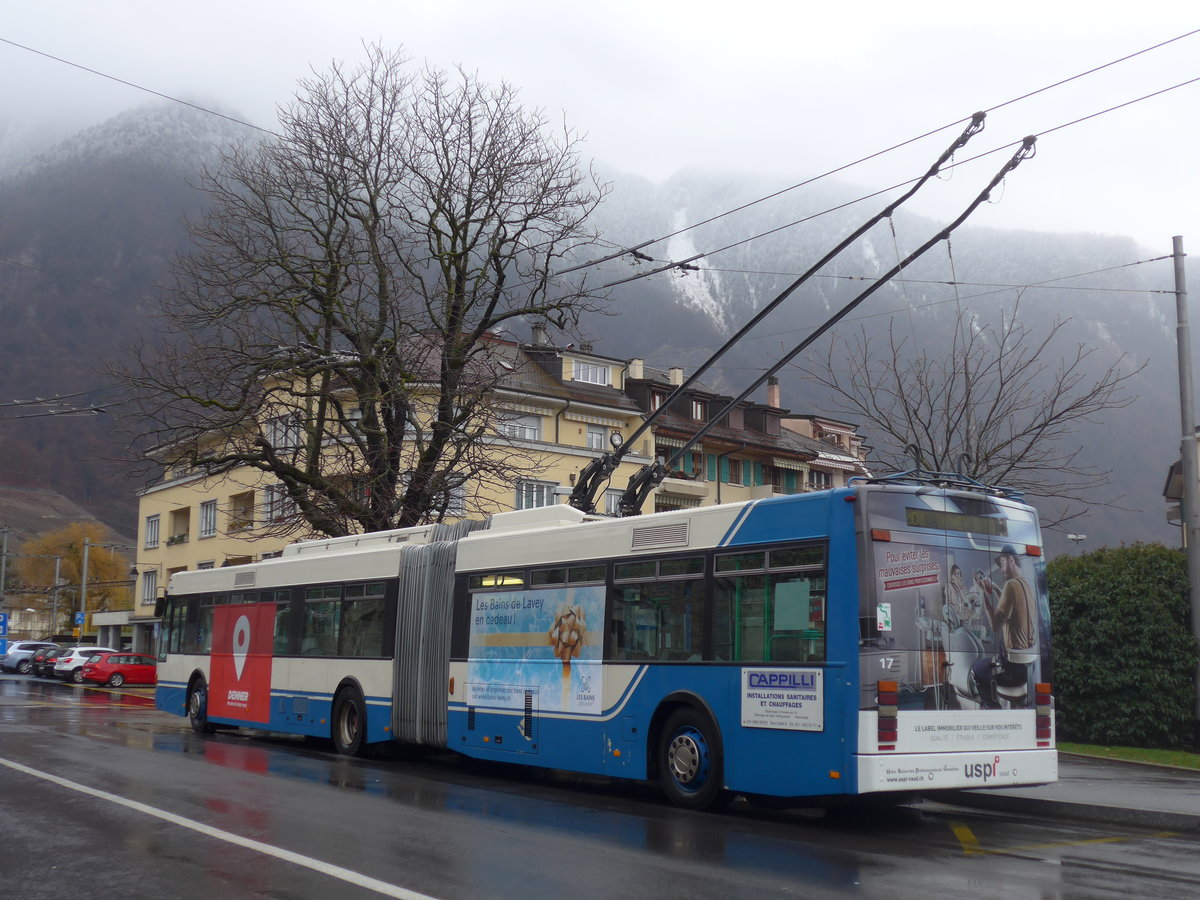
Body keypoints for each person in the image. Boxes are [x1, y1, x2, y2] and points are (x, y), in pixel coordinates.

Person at [970, 546, 1037, 708]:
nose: (1001, 569)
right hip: (1027, 669)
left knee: (976, 669)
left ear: (1011, 561)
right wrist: (995, 589)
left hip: (1011, 670)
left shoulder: (1011, 585)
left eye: (1003, 563)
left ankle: (993, 711)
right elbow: (1009, 612)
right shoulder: (1025, 586)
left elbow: (994, 624)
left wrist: (983, 594)